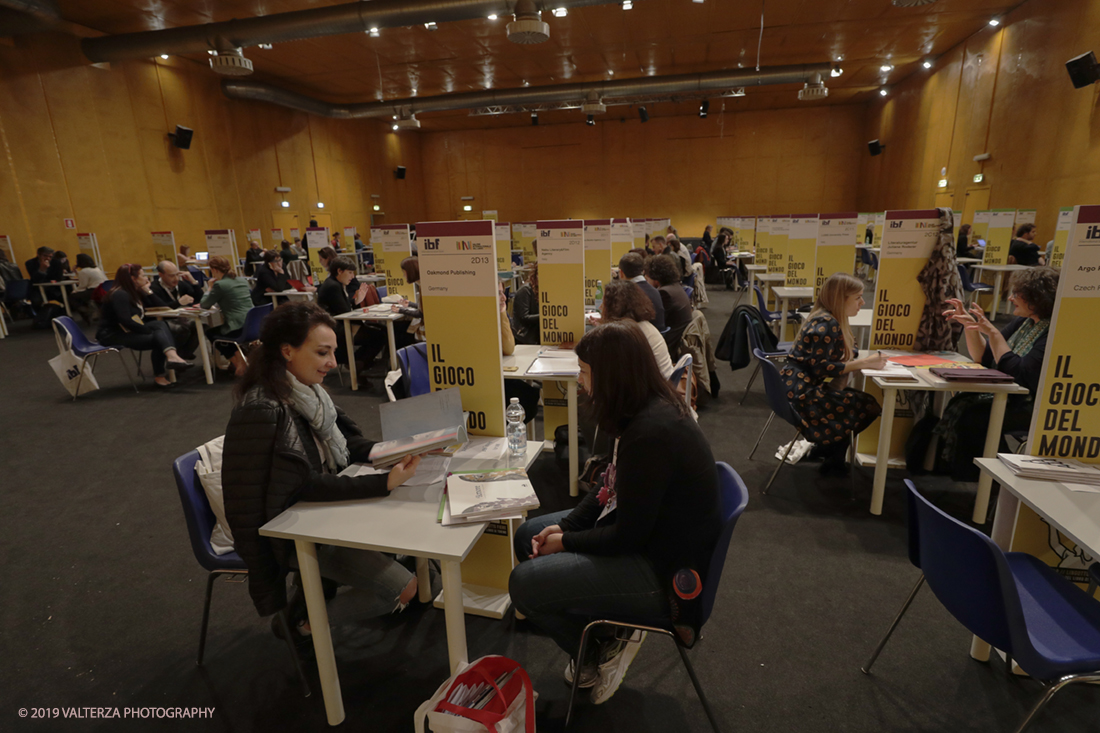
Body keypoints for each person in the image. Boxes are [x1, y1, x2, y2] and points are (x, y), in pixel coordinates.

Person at [508, 320, 721, 703]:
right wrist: (568, 527)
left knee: (523, 583)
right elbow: (611, 485)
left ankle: (594, 650)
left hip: (662, 570)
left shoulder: (650, 433)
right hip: (653, 540)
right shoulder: (644, 409)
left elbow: (628, 536)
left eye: (585, 373)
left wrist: (567, 540)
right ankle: (604, 627)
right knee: (527, 536)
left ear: (611, 375)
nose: (581, 380)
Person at [221, 302, 425, 647]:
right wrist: (383, 482)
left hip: (323, 513)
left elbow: (347, 441)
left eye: (332, 352)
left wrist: (389, 452)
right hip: (292, 531)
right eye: (322, 353)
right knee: (405, 588)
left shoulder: (307, 393)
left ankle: (317, 597)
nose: (332, 362)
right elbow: (300, 486)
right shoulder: (264, 408)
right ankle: (301, 623)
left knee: (420, 553)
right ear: (287, 351)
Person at [937, 266, 1059, 480]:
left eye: (1017, 294)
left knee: (975, 416)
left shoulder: (1052, 333)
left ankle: (984, 479)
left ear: (1037, 299)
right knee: (967, 406)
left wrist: (993, 333)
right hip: (1012, 397)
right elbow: (986, 358)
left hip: (1032, 405)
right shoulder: (1024, 322)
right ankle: (978, 474)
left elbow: (1019, 373)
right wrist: (970, 326)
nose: (1010, 298)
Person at [779, 273, 887, 475]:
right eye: (858, 298)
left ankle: (828, 452)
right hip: (803, 395)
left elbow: (844, 354)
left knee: (858, 402)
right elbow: (821, 368)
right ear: (840, 299)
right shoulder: (827, 323)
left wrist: (856, 358)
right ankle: (831, 455)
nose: (862, 303)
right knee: (867, 406)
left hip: (795, 387)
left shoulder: (827, 318)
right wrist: (864, 363)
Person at [96, 263, 193, 387]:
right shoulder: (120, 294)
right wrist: (146, 330)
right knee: (159, 337)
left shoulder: (134, 292)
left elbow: (164, 307)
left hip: (128, 330)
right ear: (133, 279)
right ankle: (164, 370)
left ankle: (171, 358)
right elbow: (126, 321)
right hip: (112, 334)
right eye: (143, 276)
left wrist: (148, 291)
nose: (147, 279)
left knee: (160, 325)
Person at [599, 280, 673, 378]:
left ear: (614, 307)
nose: (600, 307)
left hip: (651, 389)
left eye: (604, 304)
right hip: (663, 384)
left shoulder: (627, 334)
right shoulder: (643, 326)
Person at [317, 256, 375, 369]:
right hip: (336, 329)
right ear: (339, 271)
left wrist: (357, 301)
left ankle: (359, 363)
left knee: (378, 330)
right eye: (350, 273)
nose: (352, 277)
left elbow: (344, 307)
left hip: (337, 325)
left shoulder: (334, 283)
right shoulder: (333, 286)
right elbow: (346, 313)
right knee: (378, 335)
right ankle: (357, 364)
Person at [201, 255, 254, 373]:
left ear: (214, 270)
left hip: (237, 326)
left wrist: (209, 288)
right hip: (252, 324)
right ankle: (241, 359)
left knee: (212, 333)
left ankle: (238, 362)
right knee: (222, 332)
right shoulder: (242, 280)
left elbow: (204, 304)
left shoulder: (219, 285)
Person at [499, 280, 541, 423]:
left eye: (503, 292)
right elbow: (510, 346)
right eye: (498, 293)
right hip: (489, 381)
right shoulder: (525, 291)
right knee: (528, 397)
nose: (504, 298)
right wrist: (502, 313)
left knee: (530, 394)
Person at [151, 260, 202, 357]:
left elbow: (199, 298)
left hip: (181, 318)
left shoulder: (180, 285)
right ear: (161, 274)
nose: (176, 279)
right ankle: (176, 356)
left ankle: (184, 353)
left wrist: (193, 281)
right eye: (171, 275)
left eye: (177, 274)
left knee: (202, 327)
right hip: (163, 321)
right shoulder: (154, 288)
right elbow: (161, 308)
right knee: (182, 330)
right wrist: (178, 302)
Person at [644, 254, 692, 352]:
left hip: (671, 345)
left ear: (655, 279)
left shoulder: (664, 293)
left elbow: (656, 323)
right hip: (677, 339)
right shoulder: (675, 287)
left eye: (647, 279)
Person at [617, 252, 664, 331]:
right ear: (643, 271)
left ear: (621, 273)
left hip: (640, 339)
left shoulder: (625, 295)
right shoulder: (656, 291)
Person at [69, 253, 107, 325]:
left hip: (95, 291)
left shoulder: (84, 271)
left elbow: (82, 286)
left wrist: (74, 291)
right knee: (81, 295)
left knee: (72, 297)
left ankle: (87, 311)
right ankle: (92, 309)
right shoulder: (96, 268)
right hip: (104, 289)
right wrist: (76, 272)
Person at [511, 265, 541, 345]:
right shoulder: (525, 291)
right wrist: (546, 316)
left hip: (537, 336)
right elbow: (524, 317)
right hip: (525, 338)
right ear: (535, 275)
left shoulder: (542, 290)